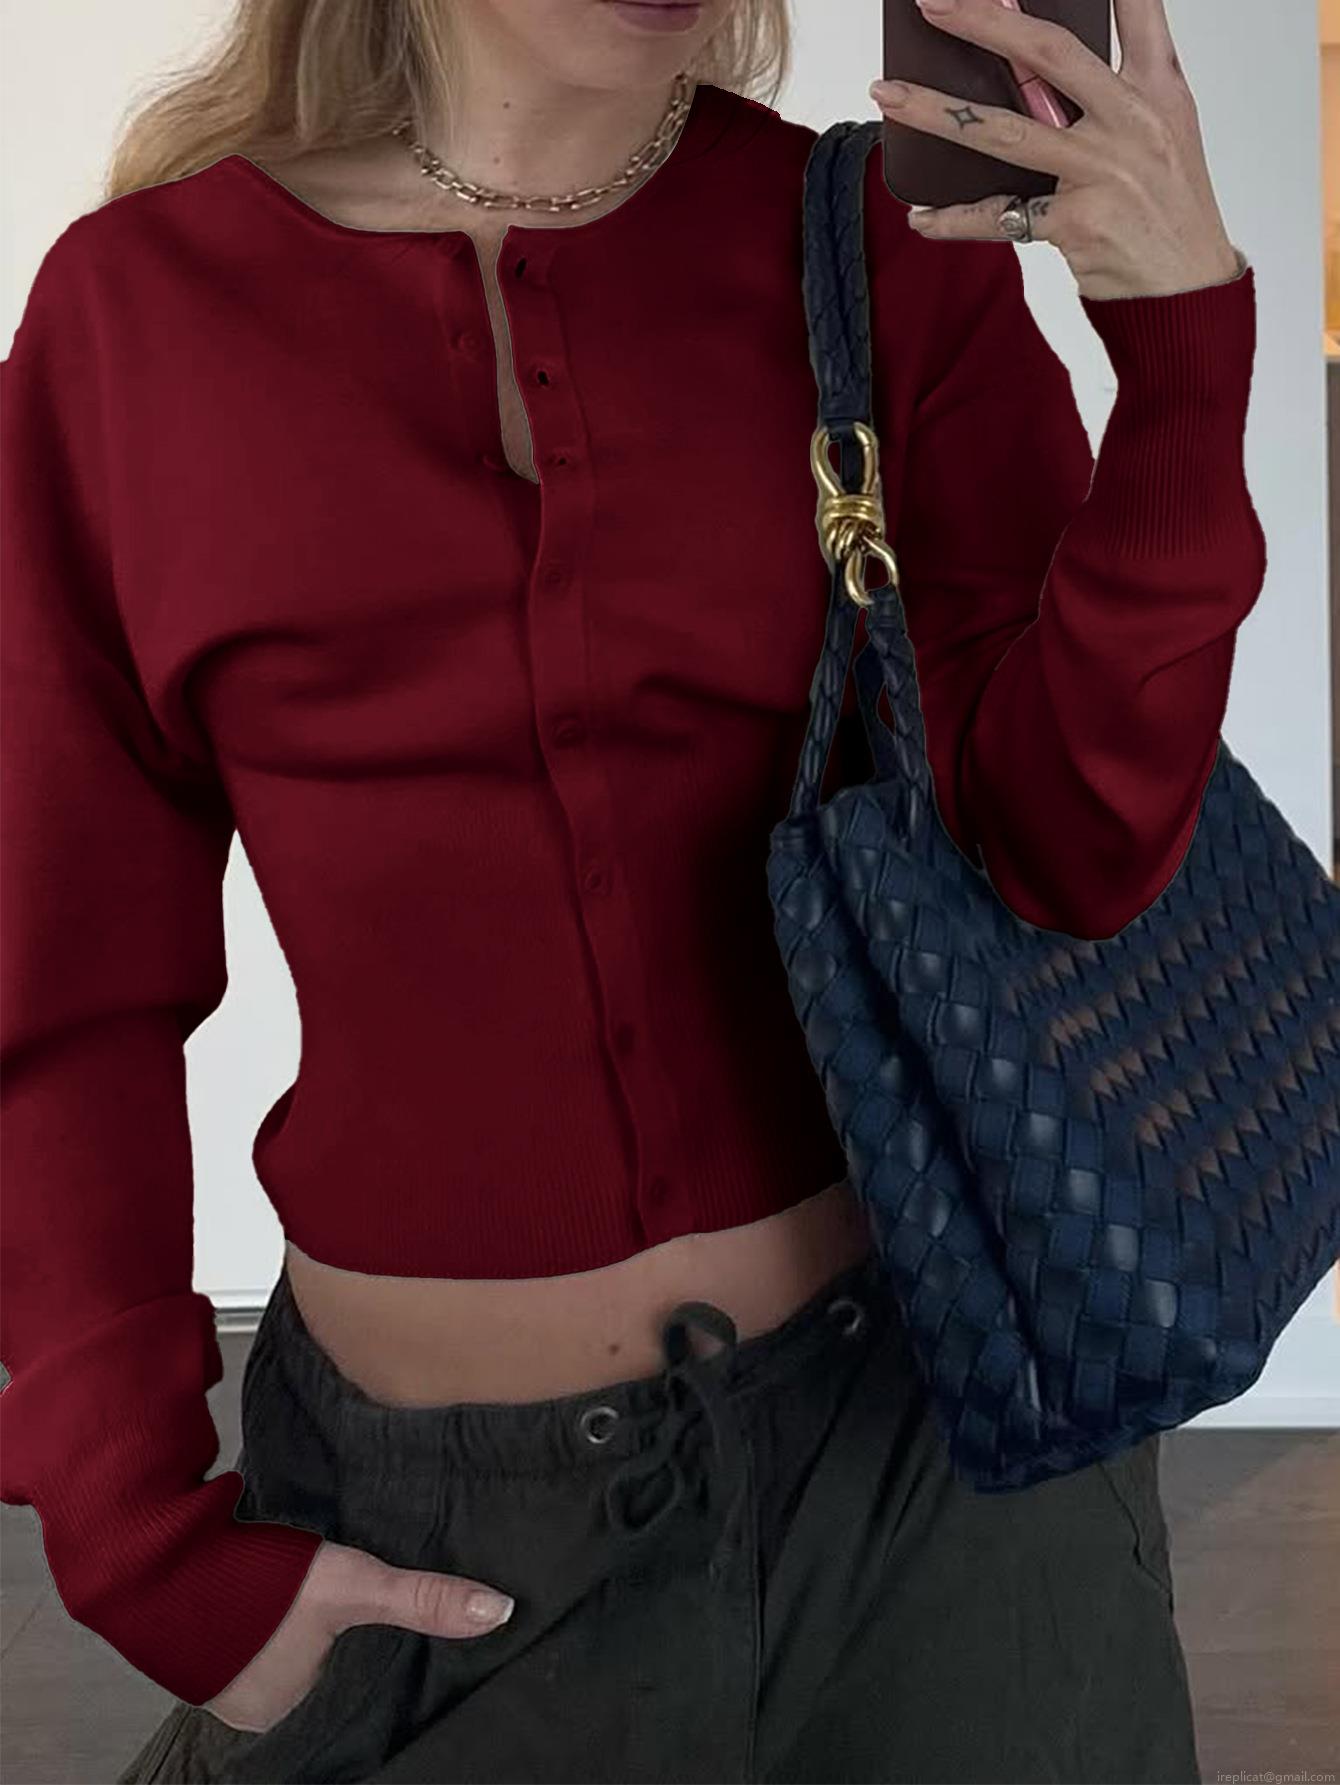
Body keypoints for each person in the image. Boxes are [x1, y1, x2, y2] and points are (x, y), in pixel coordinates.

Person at [1, 0, 1265, 1780]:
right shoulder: (134, 322)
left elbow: (1074, 850)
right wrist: (141, 1534)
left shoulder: (878, 252)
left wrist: (1184, 358)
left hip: (945, 1477)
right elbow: (57, 990)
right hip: (442, 1528)